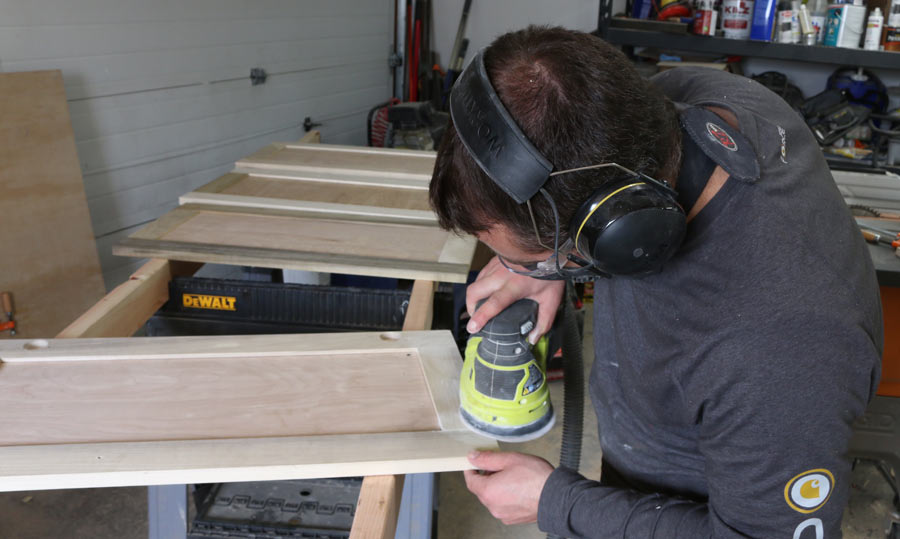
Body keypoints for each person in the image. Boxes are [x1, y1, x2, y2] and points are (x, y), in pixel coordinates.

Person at [429, 26, 883, 538]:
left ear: (622, 229)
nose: (518, 270)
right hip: (642, 467)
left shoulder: (780, 348)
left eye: (531, 260)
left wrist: (558, 502)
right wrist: (548, 267)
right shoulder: (684, 104)